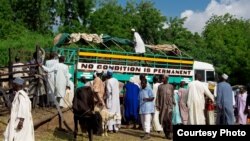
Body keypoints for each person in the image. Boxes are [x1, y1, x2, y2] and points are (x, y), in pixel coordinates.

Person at [156, 74, 174, 139]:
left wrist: (173, 103)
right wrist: (157, 105)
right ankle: (166, 134)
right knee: (163, 121)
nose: (162, 79)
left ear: (167, 79)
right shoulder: (160, 87)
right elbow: (158, 97)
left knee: (169, 120)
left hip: (169, 107)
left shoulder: (171, 86)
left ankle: (170, 134)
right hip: (162, 107)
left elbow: (172, 96)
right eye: (162, 78)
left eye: (163, 78)